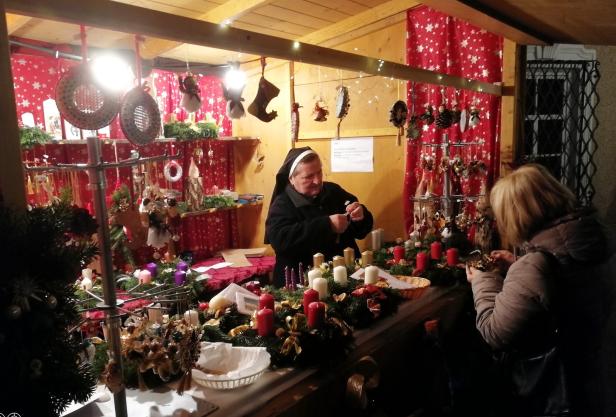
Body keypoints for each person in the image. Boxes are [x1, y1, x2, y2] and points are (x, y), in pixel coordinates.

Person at [466, 164, 613, 417]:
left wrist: (482, 278)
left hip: (549, 394)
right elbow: (564, 283)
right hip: (590, 378)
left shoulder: (535, 266)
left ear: (517, 215)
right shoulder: (590, 241)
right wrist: (517, 265)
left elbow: (494, 332)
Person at [265, 147, 373, 286]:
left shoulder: (333, 191)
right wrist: (327, 225)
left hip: (346, 281)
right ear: (291, 179)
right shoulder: (282, 205)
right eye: (309, 177)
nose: (317, 180)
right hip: (301, 286)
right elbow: (280, 241)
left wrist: (361, 215)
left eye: (319, 172)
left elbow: (361, 231)